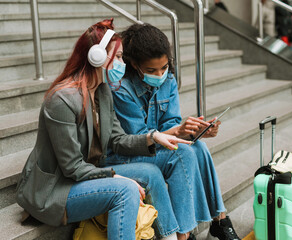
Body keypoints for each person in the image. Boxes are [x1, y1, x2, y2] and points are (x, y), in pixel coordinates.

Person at [15, 19, 190, 240]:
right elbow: (72, 167)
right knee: (125, 191)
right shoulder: (62, 100)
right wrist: (116, 177)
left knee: (152, 173)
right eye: (117, 57)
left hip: (84, 177)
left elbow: (117, 139)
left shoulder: (103, 90)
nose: (123, 63)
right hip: (56, 190)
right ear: (96, 57)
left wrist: (152, 137)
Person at [105, 23, 241, 240]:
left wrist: (194, 132)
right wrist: (178, 132)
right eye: (151, 70)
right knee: (183, 153)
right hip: (127, 153)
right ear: (134, 64)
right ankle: (184, 234)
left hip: (156, 145)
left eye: (164, 67)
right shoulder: (122, 88)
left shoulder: (168, 79)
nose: (159, 74)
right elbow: (137, 138)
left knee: (198, 146)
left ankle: (220, 220)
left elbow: (171, 123)